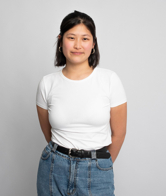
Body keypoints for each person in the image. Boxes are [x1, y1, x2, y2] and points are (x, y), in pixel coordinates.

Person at [36, 10, 127, 196]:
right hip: (53, 167)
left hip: (96, 170)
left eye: (85, 39)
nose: (78, 45)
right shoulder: (47, 83)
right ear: (61, 41)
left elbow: (119, 134)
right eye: (71, 37)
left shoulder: (109, 80)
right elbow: (49, 133)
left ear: (93, 43)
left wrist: (100, 165)